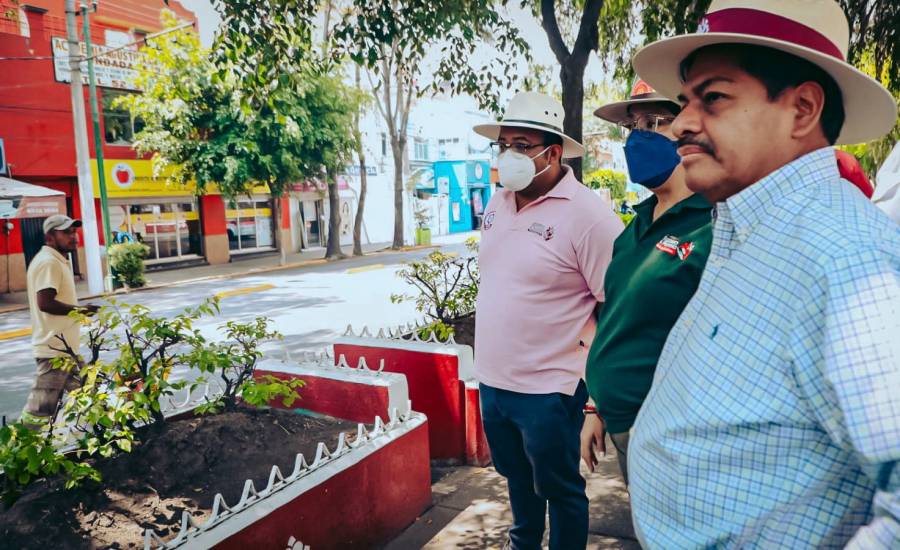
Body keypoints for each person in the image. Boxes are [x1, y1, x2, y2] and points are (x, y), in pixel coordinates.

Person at [627, 0, 900, 547]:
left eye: (714, 97)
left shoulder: (846, 255)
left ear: (802, 109)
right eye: (685, 102)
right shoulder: (747, 227)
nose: (680, 123)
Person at [472, 91, 623, 550]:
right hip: (495, 384)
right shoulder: (499, 202)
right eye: (503, 145)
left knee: (560, 490)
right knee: (517, 479)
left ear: (552, 153)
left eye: (520, 145)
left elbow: (614, 309)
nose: (508, 156)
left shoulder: (590, 218)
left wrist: (595, 401)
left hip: (550, 391)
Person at [580, 80, 713, 484]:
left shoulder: (712, 227)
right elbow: (615, 321)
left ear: (687, 128)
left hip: (672, 436)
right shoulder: (633, 228)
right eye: (633, 125)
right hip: (620, 426)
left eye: (653, 122)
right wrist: (595, 406)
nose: (638, 136)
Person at [21, 215, 99, 428]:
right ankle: (16, 457)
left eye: (73, 232)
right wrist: (81, 310)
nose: (73, 236)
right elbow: (45, 302)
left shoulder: (55, 261)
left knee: (92, 399)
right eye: (66, 232)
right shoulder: (49, 263)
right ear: (50, 237)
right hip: (54, 353)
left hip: (66, 353)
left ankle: (111, 444)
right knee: (37, 416)